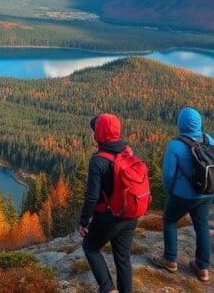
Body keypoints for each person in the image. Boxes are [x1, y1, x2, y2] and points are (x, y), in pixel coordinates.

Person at [149, 107, 214, 283]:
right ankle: (202, 268)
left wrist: (171, 191)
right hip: (207, 193)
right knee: (202, 225)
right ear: (198, 122)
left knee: (170, 220)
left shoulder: (175, 145)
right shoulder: (209, 139)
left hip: (183, 195)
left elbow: (168, 175)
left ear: (180, 123)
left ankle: (170, 259)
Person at [79, 113, 141, 293]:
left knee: (90, 247)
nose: (93, 134)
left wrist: (84, 222)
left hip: (110, 216)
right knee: (123, 256)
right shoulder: (127, 151)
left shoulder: (98, 160)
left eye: (95, 130)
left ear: (100, 133)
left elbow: (92, 196)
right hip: (130, 214)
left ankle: (107, 288)